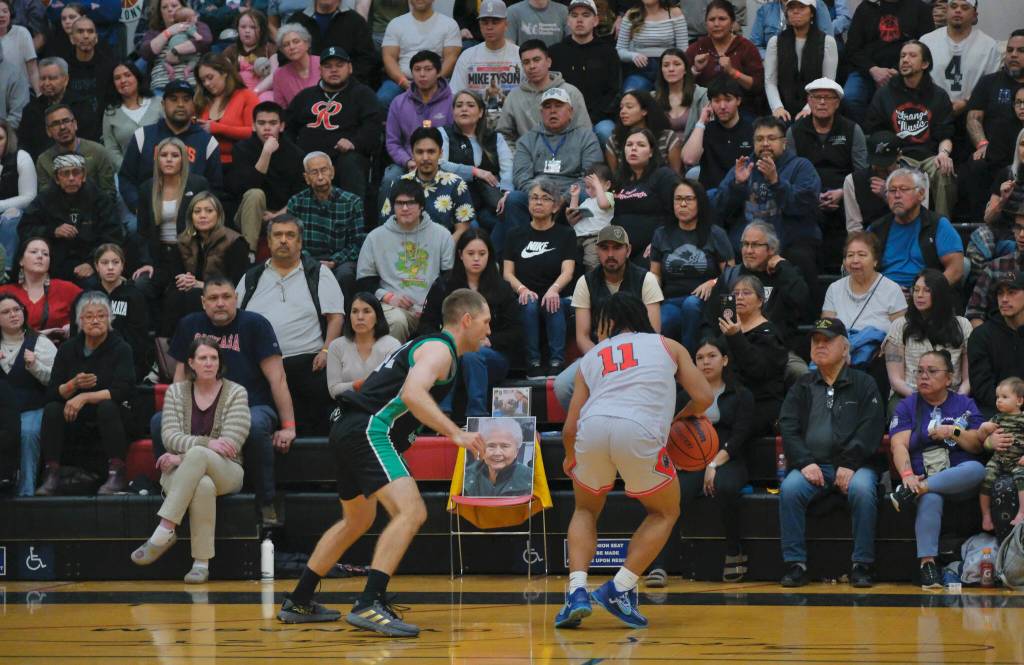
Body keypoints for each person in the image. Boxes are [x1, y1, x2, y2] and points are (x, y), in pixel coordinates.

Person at [276, 289, 490, 637]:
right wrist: (456, 434)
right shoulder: (440, 349)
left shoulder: (427, 346)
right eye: (485, 323)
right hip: (369, 429)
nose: (489, 331)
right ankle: (369, 603)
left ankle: (299, 599)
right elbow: (412, 394)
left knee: (357, 519)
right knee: (412, 511)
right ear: (465, 320)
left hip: (348, 427)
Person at [556, 291, 712, 629]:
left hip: (592, 428)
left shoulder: (592, 356)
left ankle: (576, 593)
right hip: (639, 430)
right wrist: (678, 419)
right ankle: (620, 587)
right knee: (665, 511)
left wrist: (570, 456)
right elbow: (703, 397)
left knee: (584, 509)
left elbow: (569, 426)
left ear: (609, 323)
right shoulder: (668, 346)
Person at [160, 277, 295, 525]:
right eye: (213, 298)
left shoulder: (256, 324)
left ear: (236, 299)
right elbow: (180, 376)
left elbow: (278, 378)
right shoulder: (189, 324)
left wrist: (288, 426)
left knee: (255, 426)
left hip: (251, 404)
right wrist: (175, 412)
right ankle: (169, 490)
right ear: (203, 302)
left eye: (226, 297)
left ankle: (266, 500)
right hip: (200, 405)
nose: (220, 303)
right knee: (159, 420)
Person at [777, 317, 886, 588]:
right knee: (790, 489)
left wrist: (849, 463)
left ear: (845, 347)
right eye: (816, 341)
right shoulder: (802, 385)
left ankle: (862, 564)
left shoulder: (864, 383)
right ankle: (796, 564)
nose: (820, 346)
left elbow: (870, 429)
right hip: (813, 465)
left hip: (856, 465)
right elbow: (788, 428)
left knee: (862, 489)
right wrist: (804, 462)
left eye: (827, 340)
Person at [130, 336, 249, 582]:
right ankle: (201, 564)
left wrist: (182, 457)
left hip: (227, 470)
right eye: (203, 358)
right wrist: (205, 444)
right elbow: (170, 436)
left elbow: (231, 444)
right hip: (183, 474)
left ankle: (165, 529)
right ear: (191, 363)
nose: (209, 363)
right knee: (203, 486)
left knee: (197, 455)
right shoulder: (176, 392)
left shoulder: (236, 392)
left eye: (214, 358)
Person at [644, 336, 754, 586]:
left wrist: (713, 464)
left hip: (729, 458)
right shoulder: (684, 396)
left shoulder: (741, 394)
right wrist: (676, 461)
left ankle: (734, 551)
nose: (706, 362)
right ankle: (659, 565)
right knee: (672, 495)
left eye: (712, 356)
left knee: (725, 488)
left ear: (725, 360)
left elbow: (740, 436)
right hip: (690, 462)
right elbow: (669, 431)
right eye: (700, 358)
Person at [886, 349, 987, 589]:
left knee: (977, 469)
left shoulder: (965, 404)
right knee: (930, 497)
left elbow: (976, 445)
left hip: (959, 478)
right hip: (924, 477)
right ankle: (928, 564)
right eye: (919, 371)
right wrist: (908, 475)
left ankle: (915, 490)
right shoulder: (907, 406)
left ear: (949, 378)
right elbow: (898, 445)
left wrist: (953, 431)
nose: (923, 376)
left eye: (932, 371)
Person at [236, 214, 345, 435]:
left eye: (290, 235)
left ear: (300, 242)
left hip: (308, 362)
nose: (283, 240)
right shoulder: (252, 277)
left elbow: (336, 316)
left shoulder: (318, 273)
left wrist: (326, 350)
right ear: (268, 241)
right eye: (277, 235)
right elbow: (236, 318)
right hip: (261, 364)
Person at [553, 224, 664, 408]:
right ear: (597, 250)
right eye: (605, 248)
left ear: (628, 250)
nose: (610, 254)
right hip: (598, 352)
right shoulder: (585, 282)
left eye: (617, 247)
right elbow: (582, 336)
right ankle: (587, 429)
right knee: (563, 386)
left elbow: (653, 334)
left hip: (639, 356)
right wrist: (607, 360)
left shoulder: (646, 279)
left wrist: (624, 364)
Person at [36, 291, 135, 496]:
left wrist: (85, 396)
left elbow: (123, 390)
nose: (95, 320)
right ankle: (51, 473)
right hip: (75, 416)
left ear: (109, 319)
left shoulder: (121, 347)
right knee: (52, 409)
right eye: (89, 316)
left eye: (101, 315)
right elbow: (52, 393)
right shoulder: (68, 349)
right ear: (80, 321)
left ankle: (117, 474)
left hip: (111, 416)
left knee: (108, 407)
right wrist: (72, 385)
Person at [712, 115, 822, 292]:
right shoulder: (743, 167)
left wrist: (776, 183)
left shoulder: (801, 167)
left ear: (784, 142)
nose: (765, 144)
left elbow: (805, 207)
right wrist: (737, 186)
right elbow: (718, 210)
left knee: (801, 256)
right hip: (747, 245)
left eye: (771, 138)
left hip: (787, 243)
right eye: (759, 139)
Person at [419, 228, 519, 417]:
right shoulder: (443, 285)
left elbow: (516, 331)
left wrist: (492, 340)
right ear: (460, 255)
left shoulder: (502, 288)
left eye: (482, 254)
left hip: (492, 355)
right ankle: (443, 415)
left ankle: (477, 415)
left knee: (473, 355)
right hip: (451, 353)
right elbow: (425, 325)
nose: (476, 259)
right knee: (452, 352)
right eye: (470, 253)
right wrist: (444, 341)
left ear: (490, 255)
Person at [865, 40, 956, 218]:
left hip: (929, 157)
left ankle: (941, 227)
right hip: (898, 156)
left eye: (912, 56)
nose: (905, 60)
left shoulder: (938, 95)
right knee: (903, 173)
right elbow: (873, 131)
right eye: (902, 56)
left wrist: (944, 154)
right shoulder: (885, 93)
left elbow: (945, 134)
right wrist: (890, 156)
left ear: (925, 64)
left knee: (944, 170)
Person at [356, 180, 455, 343]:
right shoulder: (375, 237)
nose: (405, 208)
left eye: (411, 203)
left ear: (421, 205)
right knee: (397, 321)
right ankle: (392, 367)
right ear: (393, 206)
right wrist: (389, 297)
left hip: (432, 308)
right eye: (399, 203)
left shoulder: (442, 235)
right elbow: (363, 282)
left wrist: (432, 306)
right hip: (392, 307)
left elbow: (450, 278)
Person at [787, 78, 866, 270]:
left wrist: (842, 193)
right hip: (808, 199)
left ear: (837, 103)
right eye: (817, 97)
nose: (822, 102)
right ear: (809, 101)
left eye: (828, 98)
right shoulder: (795, 131)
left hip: (845, 199)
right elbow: (789, 173)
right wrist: (812, 195)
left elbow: (862, 172)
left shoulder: (852, 129)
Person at [505, 86, 602, 237]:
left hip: (571, 198)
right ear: (541, 113)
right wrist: (542, 198)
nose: (552, 111)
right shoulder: (527, 140)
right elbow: (521, 178)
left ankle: (581, 251)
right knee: (514, 199)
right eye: (547, 107)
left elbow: (592, 178)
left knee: (586, 197)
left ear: (570, 111)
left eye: (558, 106)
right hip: (537, 195)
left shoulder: (586, 137)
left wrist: (564, 198)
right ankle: (520, 245)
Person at [502, 179, 575, 378]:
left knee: (554, 302)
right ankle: (532, 362)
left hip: (557, 295)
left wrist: (554, 289)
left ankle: (556, 361)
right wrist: (522, 290)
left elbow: (568, 271)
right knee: (529, 303)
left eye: (545, 198)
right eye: (534, 198)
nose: (538, 203)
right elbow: (507, 272)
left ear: (556, 206)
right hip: (525, 296)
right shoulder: (514, 235)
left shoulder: (566, 234)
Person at [286, 46, 381, 199]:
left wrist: (354, 142)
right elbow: (288, 128)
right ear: (320, 70)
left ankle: (353, 219)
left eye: (339, 65)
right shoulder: (305, 96)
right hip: (306, 157)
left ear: (350, 68)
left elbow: (373, 127)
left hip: (343, 157)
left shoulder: (363, 94)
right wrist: (294, 151)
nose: (334, 70)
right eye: (328, 66)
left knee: (351, 162)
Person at [118, 80, 224, 216]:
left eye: (186, 100)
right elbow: (126, 179)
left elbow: (215, 188)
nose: (180, 104)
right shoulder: (143, 135)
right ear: (163, 104)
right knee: (133, 229)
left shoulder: (208, 142)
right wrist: (138, 207)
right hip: (148, 210)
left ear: (193, 105)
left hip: (191, 215)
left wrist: (199, 214)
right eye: (173, 99)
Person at [651, 178, 733, 350]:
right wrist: (653, 293)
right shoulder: (662, 234)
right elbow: (655, 274)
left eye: (688, 199)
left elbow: (731, 273)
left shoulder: (715, 233)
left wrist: (713, 282)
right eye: (678, 199)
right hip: (671, 299)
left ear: (700, 202)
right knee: (665, 320)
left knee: (691, 305)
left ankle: (690, 362)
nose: (682, 204)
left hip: (706, 300)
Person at [19, 153, 121, 286]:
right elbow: (24, 229)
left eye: (76, 172)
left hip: (88, 259)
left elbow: (112, 235)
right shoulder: (44, 199)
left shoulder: (99, 199)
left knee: (92, 284)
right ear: (57, 178)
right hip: (53, 262)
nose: (71, 178)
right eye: (65, 174)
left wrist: (92, 263)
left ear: (83, 176)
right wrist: (52, 231)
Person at [160, 192, 248, 335]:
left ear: (218, 215)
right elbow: (175, 274)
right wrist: (183, 279)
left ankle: (197, 342)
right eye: (197, 211)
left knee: (194, 295)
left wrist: (201, 285)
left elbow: (237, 282)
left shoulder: (235, 242)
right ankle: (168, 347)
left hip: (222, 295)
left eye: (209, 211)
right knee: (174, 296)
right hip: (189, 292)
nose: (202, 215)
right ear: (191, 216)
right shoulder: (183, 240)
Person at [885, 269, 972, 411]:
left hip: (951, 396)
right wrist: (925, 401)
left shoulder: (963, 325)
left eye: (927, 291)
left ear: (940, 294)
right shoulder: (900, 325)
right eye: (916, 290)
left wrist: (957, 400)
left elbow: (969, 379)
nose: (919, 295)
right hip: (908, 395)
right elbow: (896, 380)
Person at [134, 137, 208, 302]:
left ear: (183, 159)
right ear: (157, 159)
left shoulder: (197, 184)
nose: (168, 159)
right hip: (159, 257)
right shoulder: (146, 188)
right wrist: (146, 262)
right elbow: (142, 231)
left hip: (188, 257)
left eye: (174, 155)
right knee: (141, 284)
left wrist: (195, 270)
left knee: (181, 295)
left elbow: (208, 227)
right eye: (164, 155)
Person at [227, 101, 306, 254]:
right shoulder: (241, 149)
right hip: (246, 214)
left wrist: (277, 215)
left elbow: (300, 193)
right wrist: (266, 153)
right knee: (255, 194)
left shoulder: (295, 154)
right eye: (261, 123)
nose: (267, 128)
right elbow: (245, 188)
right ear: (253, 126)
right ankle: (249, 254)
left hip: (283, 214)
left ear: (282, 126)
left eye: (273, 123)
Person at [961, 31, 1024, 220]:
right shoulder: (990, 82)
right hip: (993, 152)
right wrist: (982, 143)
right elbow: (973, 118)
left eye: (1021, 51)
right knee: (975, 167)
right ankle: (978, 224)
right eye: (1010, 50)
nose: (1013, 55)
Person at [868, 168, 964, 290]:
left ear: (921, 194)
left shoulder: (938, 225)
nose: (897, 195)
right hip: (883, 295)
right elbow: (861, 266)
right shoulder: (876, 229)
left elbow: (956, 269)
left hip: (925, 297)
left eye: (904, 189)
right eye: (892, 190)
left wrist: (925, 291)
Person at [0, 292, 57, 496]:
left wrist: (35, 366)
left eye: (17, 310)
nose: (13, 314)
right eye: (6, 312)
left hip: (32, 407)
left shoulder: (40, 342)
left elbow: (57, 381)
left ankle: (26, 493)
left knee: (27, 434)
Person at [842, 0, 934, 124]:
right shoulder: (865, 7)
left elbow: (926, 47)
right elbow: (852, 48)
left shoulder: (920, 8)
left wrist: (898, 70)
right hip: (866, 71)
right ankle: (864, 136)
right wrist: (873, 69)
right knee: (850, 98)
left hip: (907, 72)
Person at [717, 273, 788, 435]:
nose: (739, 297)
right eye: (735, 294)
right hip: (731, 401)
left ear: (760, 301)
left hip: (760, 404)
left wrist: (736, 337)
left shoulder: (769, 333)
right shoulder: (728, 331)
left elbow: (758, 371)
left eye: (746, 293)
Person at [440, 90, 514, 238]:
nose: (464, 109)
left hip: (489, 200)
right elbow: (440, 164)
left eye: (470, 105)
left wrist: (507, 192)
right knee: (471, 228)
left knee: (499, 220)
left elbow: (508, 168)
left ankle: (497, 260)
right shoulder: (443, 133)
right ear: (453, 111)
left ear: (481, 112)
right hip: (457, 199)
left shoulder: (495, 137)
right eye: (459, 105)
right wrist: (474, 171)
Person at [380, 126, 475, 239]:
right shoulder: (398, 183)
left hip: (443, 251)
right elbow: (387, 226)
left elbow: (462, 229)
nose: (425, 157)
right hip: (404, 250)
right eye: (420, 152)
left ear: (441, 153)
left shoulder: (456, 184)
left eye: (431, 151)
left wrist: (441, 252)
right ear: (412, 154)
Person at [549, 0, 620, 148]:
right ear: (568, 21)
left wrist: (592, 117)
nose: (579, 20)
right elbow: (550, 90)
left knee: (606, 131)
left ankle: (606, 171)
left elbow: (614, 91)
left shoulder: (608, 52)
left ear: (595, 21)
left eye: (585, 15)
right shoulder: (555, 52)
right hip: (563, 118)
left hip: (600, 119)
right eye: (574, 15)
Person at [497, 40, 591, 147]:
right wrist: (517, 158)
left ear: (549, 62)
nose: (532, 66)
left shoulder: (571, 92)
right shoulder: (514, 96)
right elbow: (503, 136)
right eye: (526, 62)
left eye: (536, 60)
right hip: (527, 159)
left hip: (567, 159)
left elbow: (585, 134)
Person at [383, 51, 454, 193]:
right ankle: (387, 216)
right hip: (409, 161)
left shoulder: (452, 101)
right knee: (391, 177)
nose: (422, 74)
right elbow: (392, 141)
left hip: (443, 162)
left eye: (428, 69)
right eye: (417, 69)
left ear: (438, 72)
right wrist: (407, 161)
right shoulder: (398, 103)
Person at [919, 0, 1000, 121]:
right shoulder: (927, 41)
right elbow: (919, 79)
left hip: (974, 112)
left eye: (964, 7)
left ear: (974, 15)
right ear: (946, 11)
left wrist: (967, 102)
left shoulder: (989, 46)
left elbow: (990, 85)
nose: (958, 10)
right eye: (953, 6)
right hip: (932, 111)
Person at [821, 232, 906, 344]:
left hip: (877, 355)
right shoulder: (834, 288)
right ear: (844, 261)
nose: (855, 260)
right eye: (850, 255)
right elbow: (825, 327)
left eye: (862, 255)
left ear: (875, 261)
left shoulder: (892, 289)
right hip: (839, 355)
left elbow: (900, 333)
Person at [763, 0, 837, 123]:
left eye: (802, 7)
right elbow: (770, 81)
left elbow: (828, 81)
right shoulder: (775, 42)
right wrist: (777, 107)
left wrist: (809, 108)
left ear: (812, 12)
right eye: (791, 8)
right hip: (783, 106)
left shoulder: (827, 42)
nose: (796, 11)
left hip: (817, 107)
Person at [378, 0, 461, 109]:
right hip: (402, 80)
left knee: (456, 99)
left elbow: (451, 58)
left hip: (438, 80)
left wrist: (433, 81)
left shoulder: (449, 24)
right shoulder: (395, 24)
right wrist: (403, 82)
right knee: (383, 99)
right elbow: (388, 57)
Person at [685, 1, 764, 114]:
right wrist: (696, 70)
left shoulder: (746, 47)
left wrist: (733, 72)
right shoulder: (697, 48)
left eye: (722, 19)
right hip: (704, 110)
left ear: (732, 23)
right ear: (706, 23)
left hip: (742, 110)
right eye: (711, 20)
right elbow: (681, 86)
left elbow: (757, 85)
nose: (716, 24)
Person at [681, 76, 753, 195]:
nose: (722, 106)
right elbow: (689, 159)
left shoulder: (751, 130)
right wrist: (701, 121)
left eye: (728, 100)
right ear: (710, 104)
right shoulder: (705, 130)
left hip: (741, 194)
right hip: (711, 196)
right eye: (717, 101)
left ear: (738, 101)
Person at [280, 0, 377, 86]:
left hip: (346, 87)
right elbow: (283, 57)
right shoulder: (297, 20)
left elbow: (366, 59)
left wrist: (344, 83)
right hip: (303, 87)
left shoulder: (356, 21)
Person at [967, 181, 1024, 325]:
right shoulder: (997, 267)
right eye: (1018, 228)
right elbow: (975, 311)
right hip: (1000, 340)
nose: (1022, 234)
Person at [0, 238, 82, 337]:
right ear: (21, 260)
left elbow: (94, 311)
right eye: (34, 252)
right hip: (14, 349)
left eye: (45, 254)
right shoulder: (5, 292)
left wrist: (73, 326)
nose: (40, 256)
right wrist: (39, 336)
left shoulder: (67, 289)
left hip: (60, 349)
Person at [968, 272, 1024, 416]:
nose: (1004, 299)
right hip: (995, 414)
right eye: (1000, 293)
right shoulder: (981, 336)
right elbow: (982, 388)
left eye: (1012, 293)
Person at [326, 292, 401, 399]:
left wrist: (361, 385)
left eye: (366, 311)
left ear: (377, 317)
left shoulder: (392, 345)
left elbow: (393, 387)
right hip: (348, 406)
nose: (360, 317)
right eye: (355, 311)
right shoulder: (336, 346)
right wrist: (358, 385)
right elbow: (333, 391)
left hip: (380, 407)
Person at [194, 53, 260, 171]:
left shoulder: (246, 96)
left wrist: (217, 128)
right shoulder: (202, 101)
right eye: (203, 80)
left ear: (224, 73)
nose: (206, 84)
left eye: (210, 77)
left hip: (239, 164)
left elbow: (254, 131)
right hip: (206, 165)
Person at [18, 57, 94, 158]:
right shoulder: (31, 109)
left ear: (66, 80)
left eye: (52, 78)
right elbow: (24, 146)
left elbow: (89, 142)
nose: (46, 83)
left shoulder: (81, 105)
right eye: (42, 78)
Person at [93, 244, 149, 381]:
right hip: (93, 363)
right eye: (104, 263)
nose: (110, 267)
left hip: (126, 363)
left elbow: (139, 340)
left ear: (122, 266)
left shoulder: (135, 296)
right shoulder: (88, 297)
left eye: (115, 262)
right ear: (96, 266)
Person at [449, 0, 521, 104]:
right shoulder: (467, 56)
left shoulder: (519, 55)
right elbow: (455, 94)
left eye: (495, 22)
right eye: (485, 22)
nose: (489, 27)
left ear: (506, 25)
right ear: (479, 24)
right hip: (475, 118)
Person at [35, 104, 116, 196]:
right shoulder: (44, 160)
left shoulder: (98, 151)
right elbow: (45, 198)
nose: (62, 127)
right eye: (55, 124)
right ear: (48, 131)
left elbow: (109, 193)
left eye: (66, 121)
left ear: (75, 124)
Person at [844, 130, 915, 233]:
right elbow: (854, 228)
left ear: (899, 156)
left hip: (908, 236)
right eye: (876, 163)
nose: (880, 168)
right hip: (870, 239)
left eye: (886, 164)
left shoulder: (916, 178)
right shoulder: (852, 181)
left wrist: (888, 196)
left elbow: (920, 220)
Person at [977, 377, 1024, 530]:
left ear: (1019, 401)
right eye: (997, 397)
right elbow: (981, 439)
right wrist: (984, 428)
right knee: (985, 477)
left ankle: (1022, 513)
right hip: (998, 459)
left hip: (1018, 460)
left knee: (1021, 479)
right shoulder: (996, 419)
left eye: (1004, 397)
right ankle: (986, 515)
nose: (999, 401)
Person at [138, 0, 213, 92]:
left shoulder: (197, 26)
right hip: (162, 86)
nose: (170, 9)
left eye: (174, 6)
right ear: (160, 12)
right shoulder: (154, 33)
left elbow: (205, 41)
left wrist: (175, 50)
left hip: (191, 84)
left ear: (183, 7)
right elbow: (146, 52)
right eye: (164, 7)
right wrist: (168, 32)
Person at [615, 0, 688, 94]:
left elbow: (684, 50)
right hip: (641, 69)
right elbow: (620, 49)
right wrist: (633, 56)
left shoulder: (674, 13)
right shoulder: (631, 14)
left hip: (668, 67)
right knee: (631, 95)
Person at [101, 61, 162, 170]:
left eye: (128, 75)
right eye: (117, 78)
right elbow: (111, 148)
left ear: (137, 78)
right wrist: (126, 171)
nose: (123, 80)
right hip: (128, 176)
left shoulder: (159, 103)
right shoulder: (110, 112)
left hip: (163, 171)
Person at [605, 91, 682, 174]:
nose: (623, 112)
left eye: (629, 107)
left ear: (644, 111)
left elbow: (676, 176)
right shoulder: (614, 141)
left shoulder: (667, 137)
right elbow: (615, 178)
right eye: (621, 107)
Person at [64, 16, 114, 135]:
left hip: (103, 130)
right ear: (72, 38)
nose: (86, 36)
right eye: (80, 31)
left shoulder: (110, 66)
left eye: (90, 31)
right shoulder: (64, 68)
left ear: (96, 38)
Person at [463, 417, 532, 497]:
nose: (497, 453)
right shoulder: (467, 474)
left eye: (504, 446)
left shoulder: (530, 477)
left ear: (516, 451)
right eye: (491, 446)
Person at [0, 118, 36, 267]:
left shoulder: (21, 157)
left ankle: (6, 270)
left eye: (0, 138)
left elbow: (29, 197)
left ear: (8, 139)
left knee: (11, 216)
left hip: (15, 214)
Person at [653, 47, 708, 144]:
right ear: (661, 70)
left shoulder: (701, 94)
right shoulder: (653, 98)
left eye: (677, 64)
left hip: (696, 153)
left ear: (686, 69)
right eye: (666, 65)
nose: (671, 69)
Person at [222, 9, 277, 102]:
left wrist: (255, 92)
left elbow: (274, 75)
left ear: (262, 30)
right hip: (238, 91)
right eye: (243, 27)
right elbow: (223, 75)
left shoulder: (269, 49)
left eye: (253, 27)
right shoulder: (230, 50)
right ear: (237, 29)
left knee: (267, 100)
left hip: (263, 90)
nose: (247, 31)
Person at [567, 164, 614, 271]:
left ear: (607, 185)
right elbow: (572, 214)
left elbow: (603, 205)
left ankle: (594, 282)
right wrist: (575, 196)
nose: (590, 190)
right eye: (588, 187)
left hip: (595, 237)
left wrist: (597, 186)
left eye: (594, 186)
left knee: (592, 262)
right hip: (578, 236)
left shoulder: (607, 196)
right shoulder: (587, 201)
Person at [750, 0, 834, 58]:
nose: (795, 11)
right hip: (772, 62)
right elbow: (754, 45)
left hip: (810, 61)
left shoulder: (816, 4)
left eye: (801, 7)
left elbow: (827, 43)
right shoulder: (765, 10)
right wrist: (771, 58)